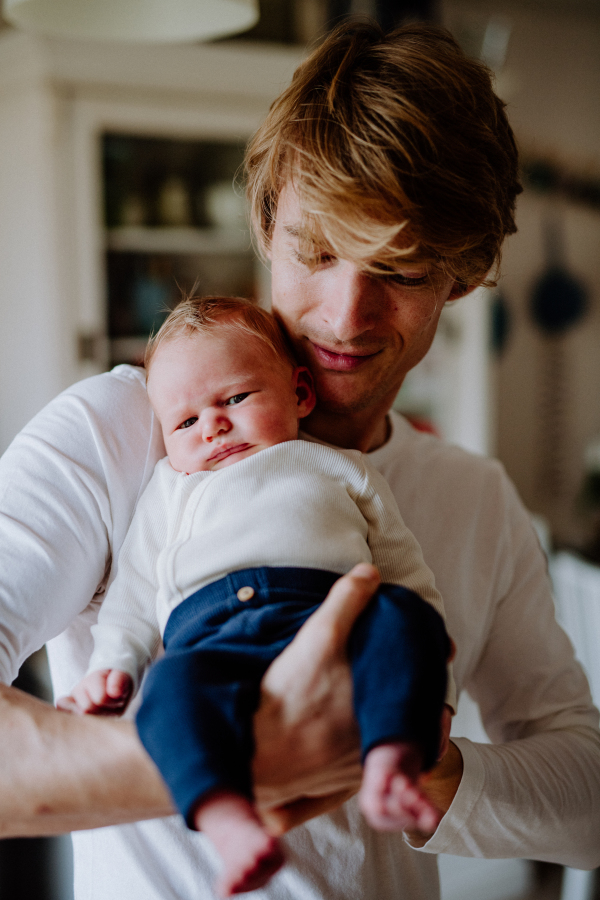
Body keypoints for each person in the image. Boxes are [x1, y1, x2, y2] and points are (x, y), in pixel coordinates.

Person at [0, 18, 599, 900]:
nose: (345, 316)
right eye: (316, 252)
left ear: (464, 276)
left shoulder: (476, 500)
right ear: (267, 222)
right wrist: (244, 759)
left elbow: (586, 796)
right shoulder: (115, 435)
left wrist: (430, 775)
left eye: (398, 269)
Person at [61, 294, 453, 896]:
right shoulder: (173, 488)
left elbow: (403, 565)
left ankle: (390, 763)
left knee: (409, 617)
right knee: (168, 693)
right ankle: (229, 823)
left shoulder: (337, 467)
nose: (213, 425)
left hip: (333, 616)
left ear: (299, 393)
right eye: (185, 422)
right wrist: (113, 663)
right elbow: (138, 587)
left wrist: (437, 690)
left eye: (235, 398)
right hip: (212, 635)